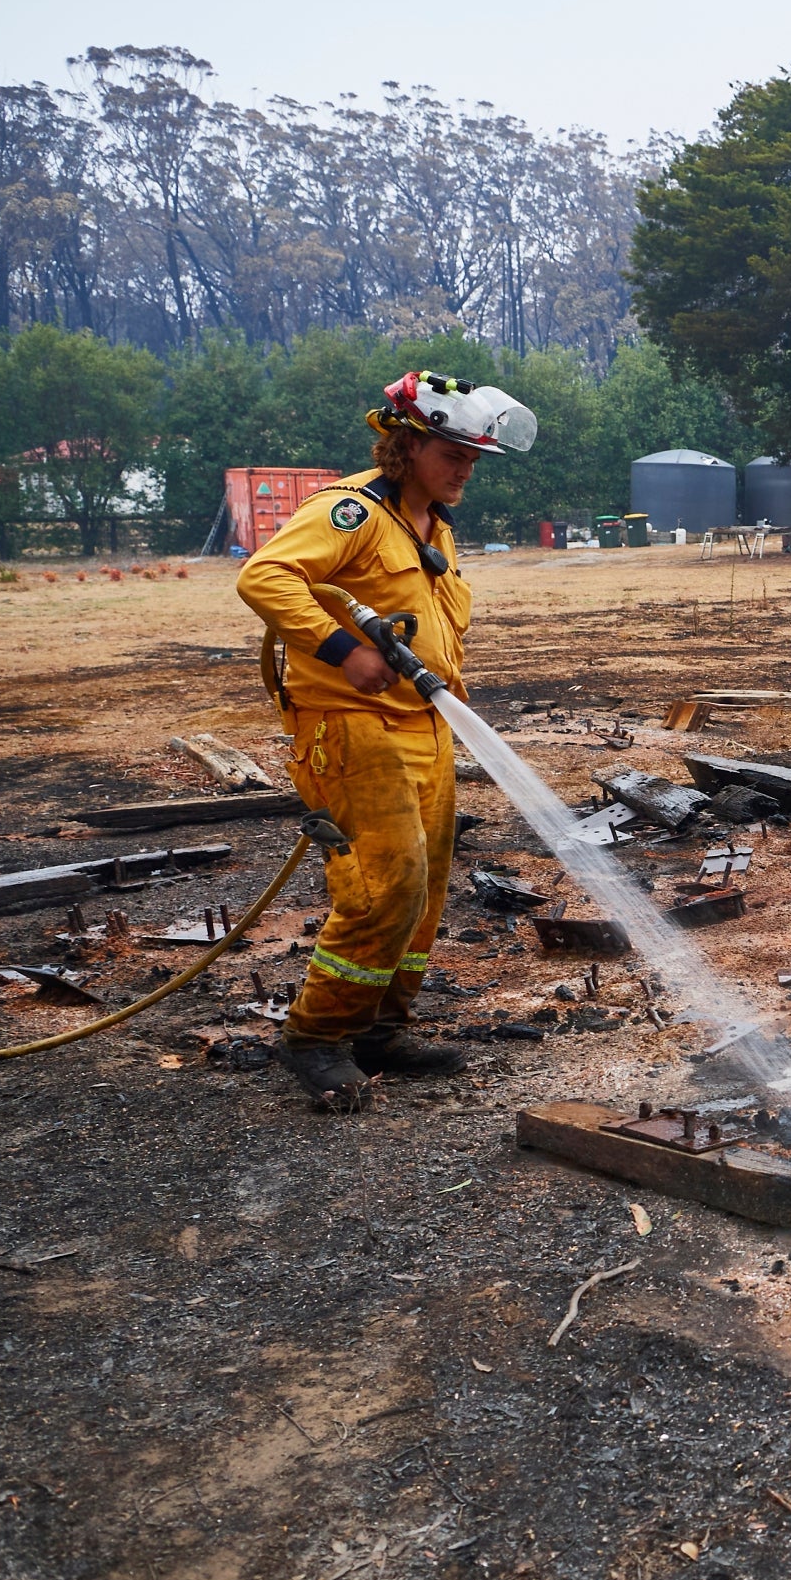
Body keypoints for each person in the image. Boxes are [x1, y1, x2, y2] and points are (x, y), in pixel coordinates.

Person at [235, 372, 536, 1110]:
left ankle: (380, 1030)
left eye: (473, 458)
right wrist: (344, 650)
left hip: (423, 726)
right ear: (407, 445)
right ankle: (316, 1037)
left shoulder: (435, 523)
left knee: (426, 888)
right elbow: (265, 576)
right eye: (452, 453)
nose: (466, 469)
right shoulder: (352, 510)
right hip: (350, 725)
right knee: (385, 882)